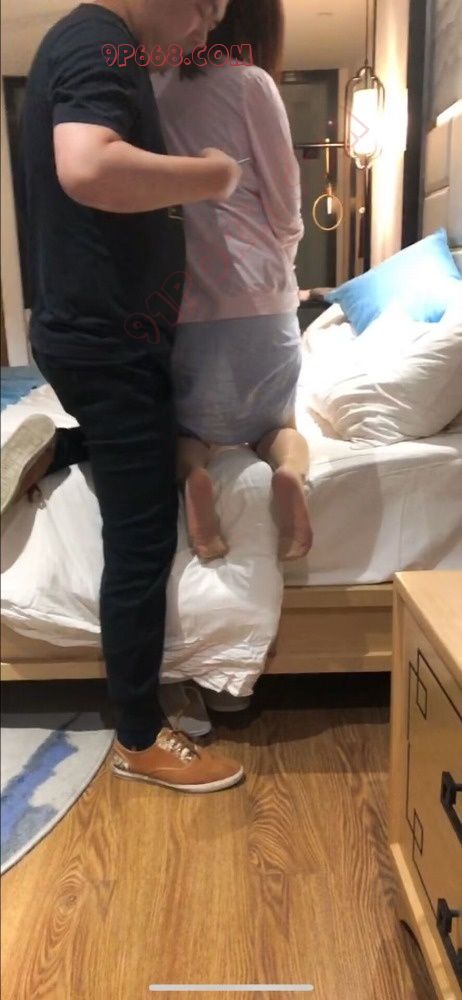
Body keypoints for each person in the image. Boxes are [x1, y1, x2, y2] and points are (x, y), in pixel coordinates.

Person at [1, 0, 245, 793]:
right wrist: (215, 174)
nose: (207, 27)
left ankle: (63, 447)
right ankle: (138, 737)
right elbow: (89, 167)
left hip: (95, 336)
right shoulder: (100, 41)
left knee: (139, 460)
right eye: (203, 5)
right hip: (107, 344)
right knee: (140, 538)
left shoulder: (100, 45)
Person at [153, 0, 313, 564]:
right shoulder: (251, 83)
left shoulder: (157, 88)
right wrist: (282, 270)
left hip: (189, 306)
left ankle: (196, 474)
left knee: (188, 432)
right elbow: (286, 206)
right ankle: (287, 472)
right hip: (263, 301)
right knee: (279, 426)